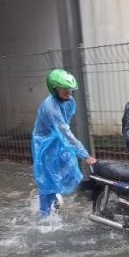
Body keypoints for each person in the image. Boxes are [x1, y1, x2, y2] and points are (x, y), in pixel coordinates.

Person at [31, 69, 96, 218]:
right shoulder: (50, 108)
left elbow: (64, 128)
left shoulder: (68, 100)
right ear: (54, 89)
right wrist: (85, 155)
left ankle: (55, 196)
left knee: (67, 166)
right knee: (47, 178)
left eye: (70, 89)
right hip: (44, 144)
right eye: (64, 89)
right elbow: (66, 133)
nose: (68, 92)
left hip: (57, 138)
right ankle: (45, 217)